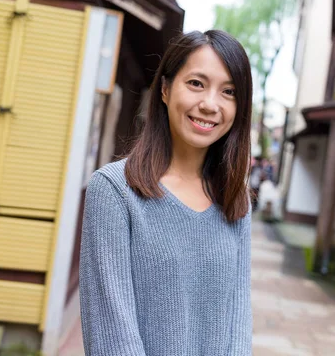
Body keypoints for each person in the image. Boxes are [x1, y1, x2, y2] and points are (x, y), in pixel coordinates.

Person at [79, 30, 253, 356]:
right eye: (196, 84)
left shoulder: (236, 199)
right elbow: (112, 334)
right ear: (165, 89)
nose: (210, 104)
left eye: (228, 91)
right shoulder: (115, 191)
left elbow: (238, 318)